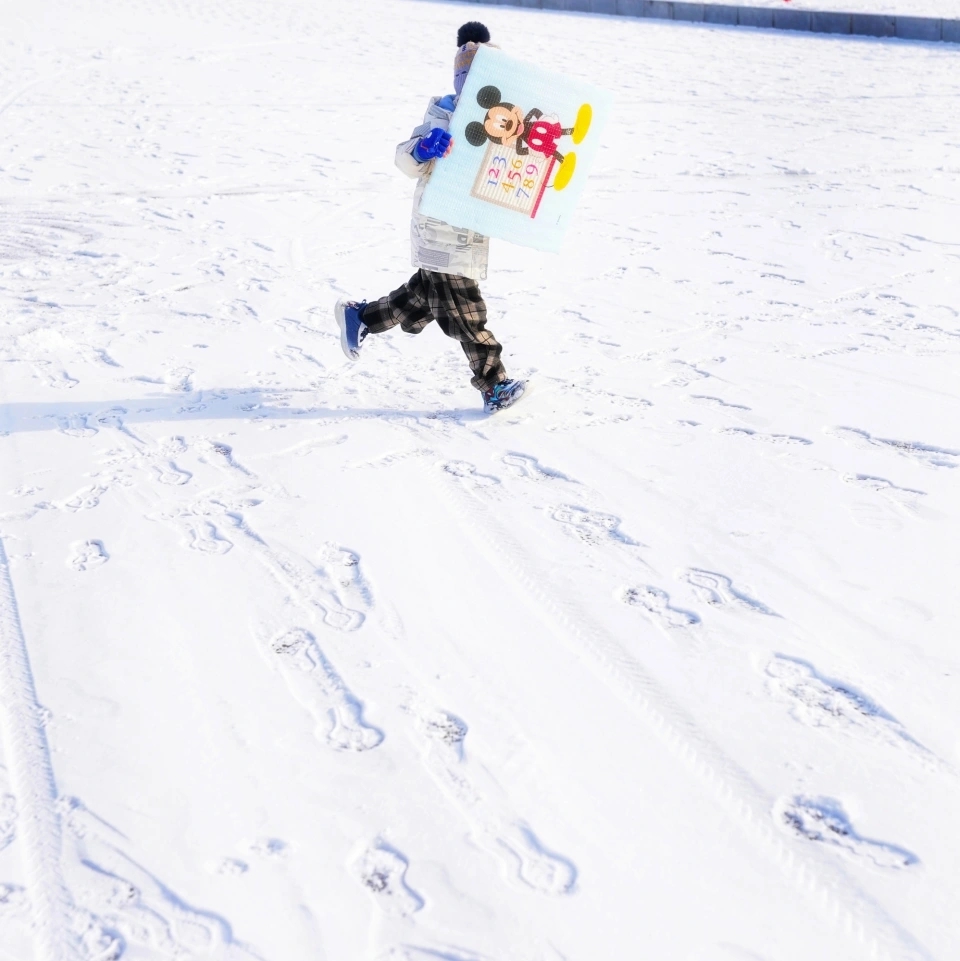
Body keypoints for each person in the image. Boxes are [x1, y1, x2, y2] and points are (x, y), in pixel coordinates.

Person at [334, 21, 526, 414]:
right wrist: (423, 150)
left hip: (470, 232)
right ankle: (494, 385)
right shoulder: (443, 113)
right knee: (467, 312)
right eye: (470, 79)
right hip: (439, 230)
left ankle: (362, 316)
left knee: (424, 296)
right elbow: (404, 157)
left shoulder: (507, 122)